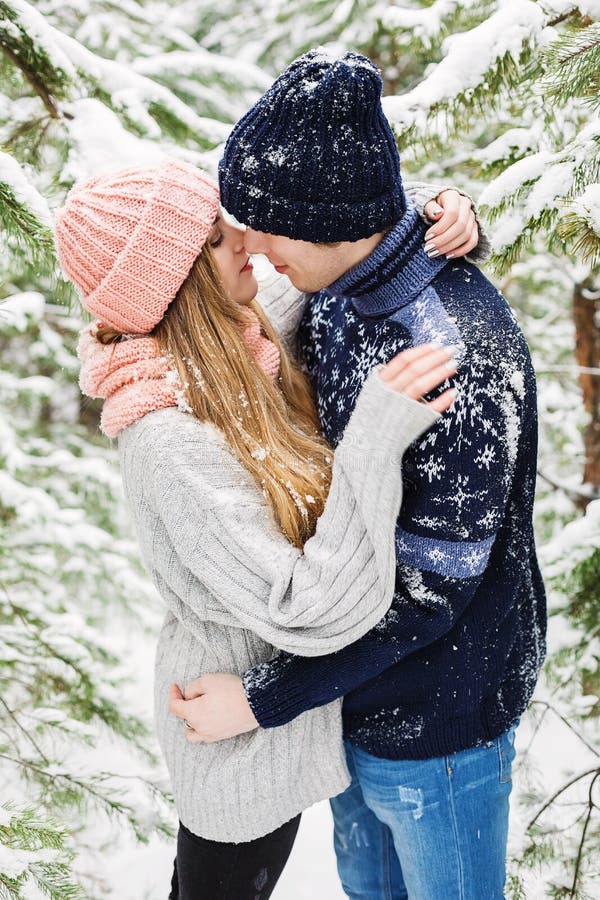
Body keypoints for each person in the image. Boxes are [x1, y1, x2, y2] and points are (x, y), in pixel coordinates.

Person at [53, 157, 482, 900]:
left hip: (272, 715)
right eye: (223, 240)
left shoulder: (228, 342)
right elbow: (310, 609)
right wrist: (374, 438)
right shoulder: (169, 439)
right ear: (180, 283)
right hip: (231, 745)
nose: (249, 243)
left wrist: (435, 211)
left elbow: (329, 252)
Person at [179, 49, 548, 900]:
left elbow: (430, 593)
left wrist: (264, 700)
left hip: (441, 723)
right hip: (350, 703)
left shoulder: (458, 357)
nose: (252, 248)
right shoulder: (343, 281)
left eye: (266, 226)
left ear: (330, 224)